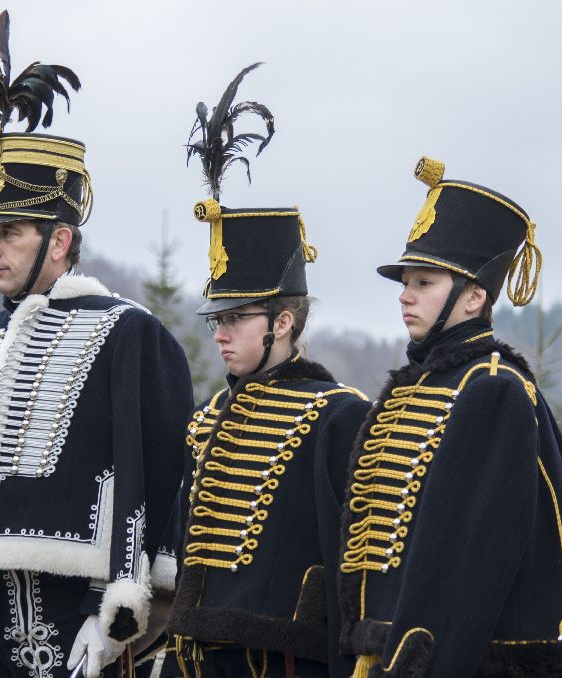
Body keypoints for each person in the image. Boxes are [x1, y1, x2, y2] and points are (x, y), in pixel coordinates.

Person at [0, 12, 192, 678]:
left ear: (58, 240)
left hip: (77, 623)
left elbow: (148, 476)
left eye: (8, 232)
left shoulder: (129, 332)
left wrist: (117, 611)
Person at [336, 157, 562, 678]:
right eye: (406, 282)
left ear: (473, 296)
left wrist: (416, 663)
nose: (405, 295)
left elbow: (470, 558)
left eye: (424, 282)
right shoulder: (420, 384)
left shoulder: (492, 388)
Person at [158, 64, 371, 678]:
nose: (220, 333)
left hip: (283, 662)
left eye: (236, 318)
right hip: (192, 655)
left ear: (282, 320)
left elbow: (352, 562)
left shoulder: (339, 415)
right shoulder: (210, 417)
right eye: (215, 320)